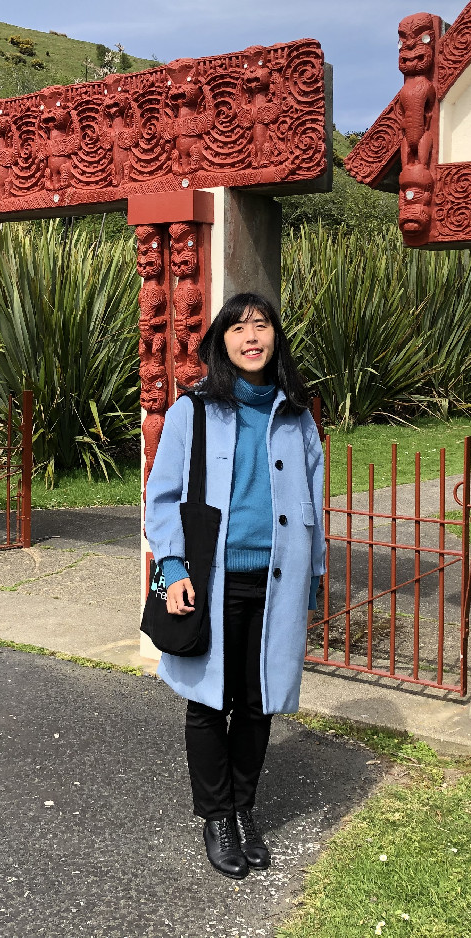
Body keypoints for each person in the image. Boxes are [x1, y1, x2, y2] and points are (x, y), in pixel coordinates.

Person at [145, 291, 325, 879]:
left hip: (276, 581)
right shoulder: (192, 412)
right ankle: (216, 815)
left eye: (262, 326)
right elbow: (163, 497)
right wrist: (171, 570)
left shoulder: (296, 415)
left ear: (276, 338)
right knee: (206, 701)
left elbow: (315, 504)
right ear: (221, 341)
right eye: (239, 328)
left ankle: (244, 808)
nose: (252, 337)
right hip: (211, 580)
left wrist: (314, 578)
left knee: (257, 701)